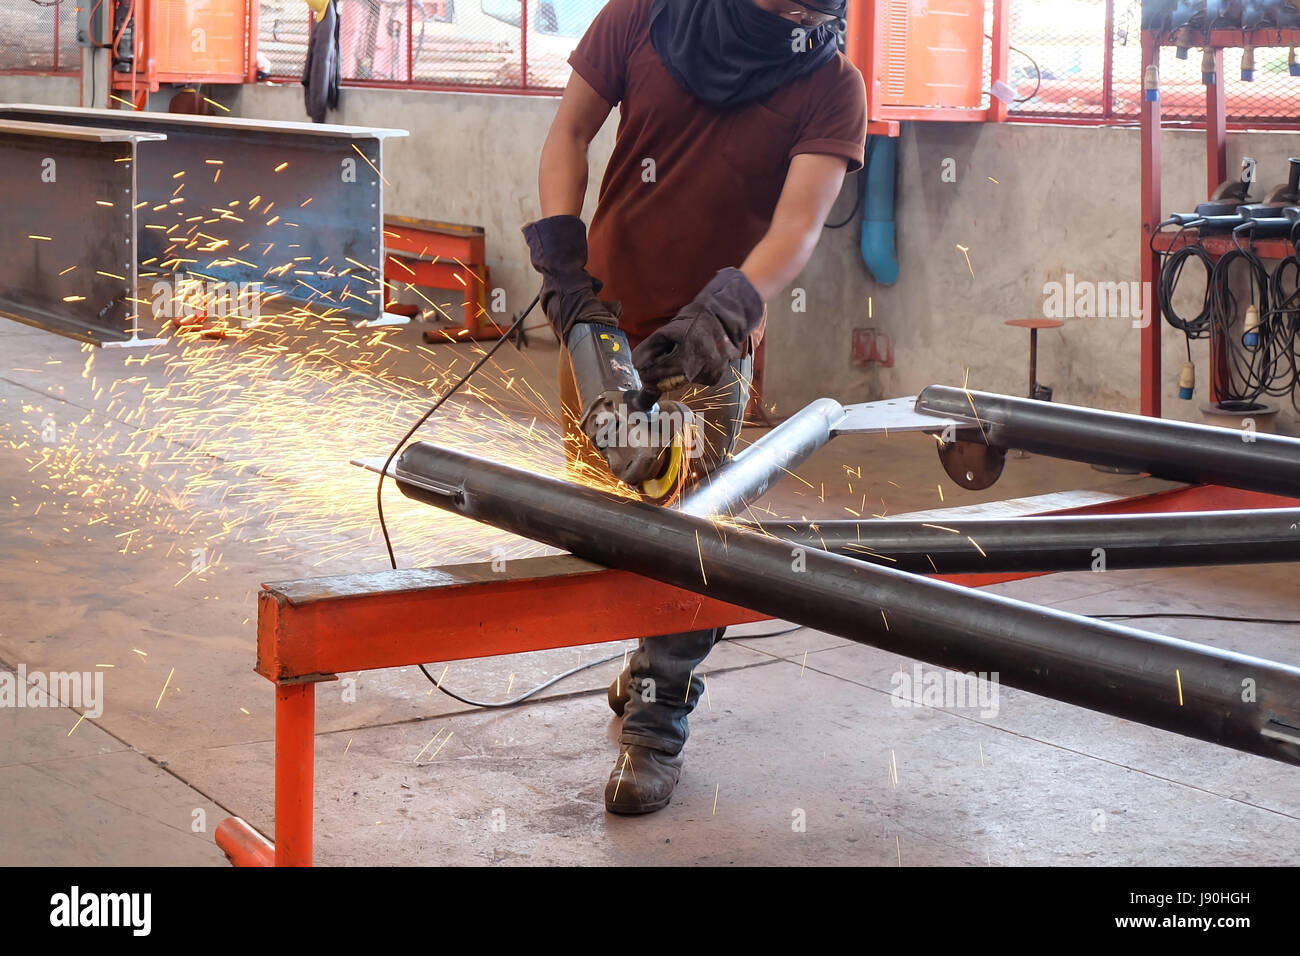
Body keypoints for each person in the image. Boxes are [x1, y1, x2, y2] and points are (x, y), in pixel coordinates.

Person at [522, 0, 866, 814]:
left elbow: (799, 225)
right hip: (600, 320)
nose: (795, 13)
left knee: (691, 527)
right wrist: (563, 264)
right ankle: (649, 660)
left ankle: (658, 716)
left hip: (710, 344)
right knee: (611, 514)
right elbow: (570, 131)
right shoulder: (645, 16)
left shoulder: (829, 83)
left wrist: (728, 307)